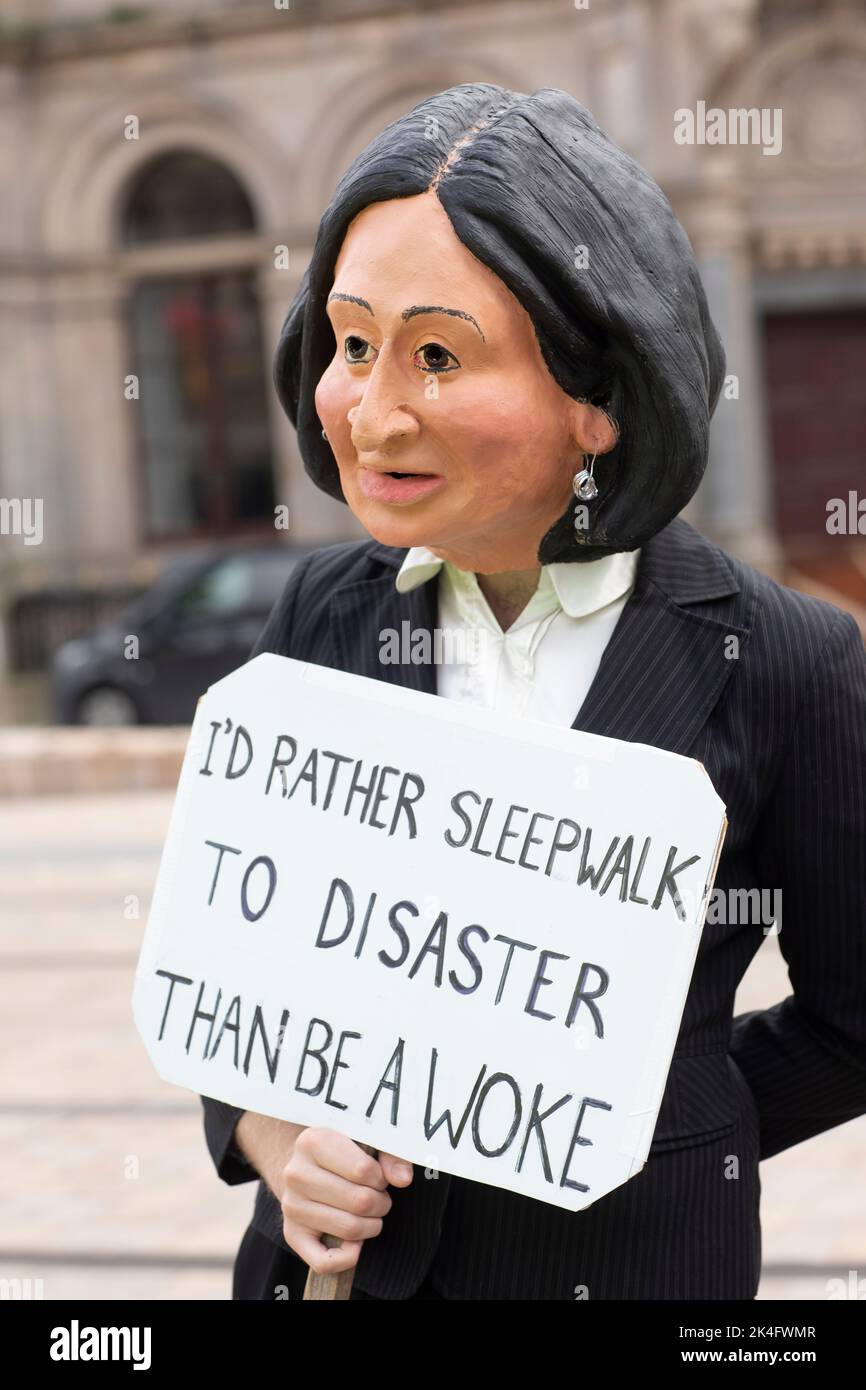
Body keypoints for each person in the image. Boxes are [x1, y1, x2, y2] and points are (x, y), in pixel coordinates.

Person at [200, 83, 866, 1301]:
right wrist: (277, 1142)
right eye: (352, 344)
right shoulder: (318, 614)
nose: (372, 408)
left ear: (598, 397)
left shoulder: (788, 660)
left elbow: (851, 1019)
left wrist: (643, 1130)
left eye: (438, 353)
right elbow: (241, 979)